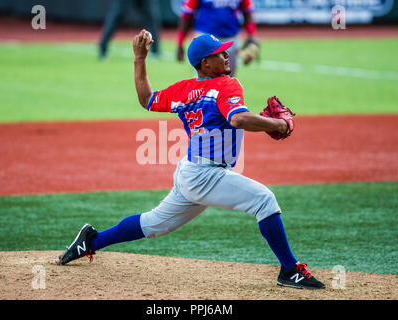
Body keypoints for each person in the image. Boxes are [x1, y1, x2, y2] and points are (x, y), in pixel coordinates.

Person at [57, 30, 325, 290]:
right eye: (220, 53)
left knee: (153, 224)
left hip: (191, 172)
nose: (227, 55)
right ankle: (290, 270)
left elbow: (146, 99)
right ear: (205, 63)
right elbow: (237, 119)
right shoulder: (227, 84)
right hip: (207, 175)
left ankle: (91, 242)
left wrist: (139, 59)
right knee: (264, 200)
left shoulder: (184, 90)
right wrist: (277, 124)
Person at [176, 0, 259, 77]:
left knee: (228, 78)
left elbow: (247, 13)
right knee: (204, 78)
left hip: (231, 38)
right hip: (206, 39)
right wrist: (180, 43)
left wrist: (251, 37)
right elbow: (187, 15)